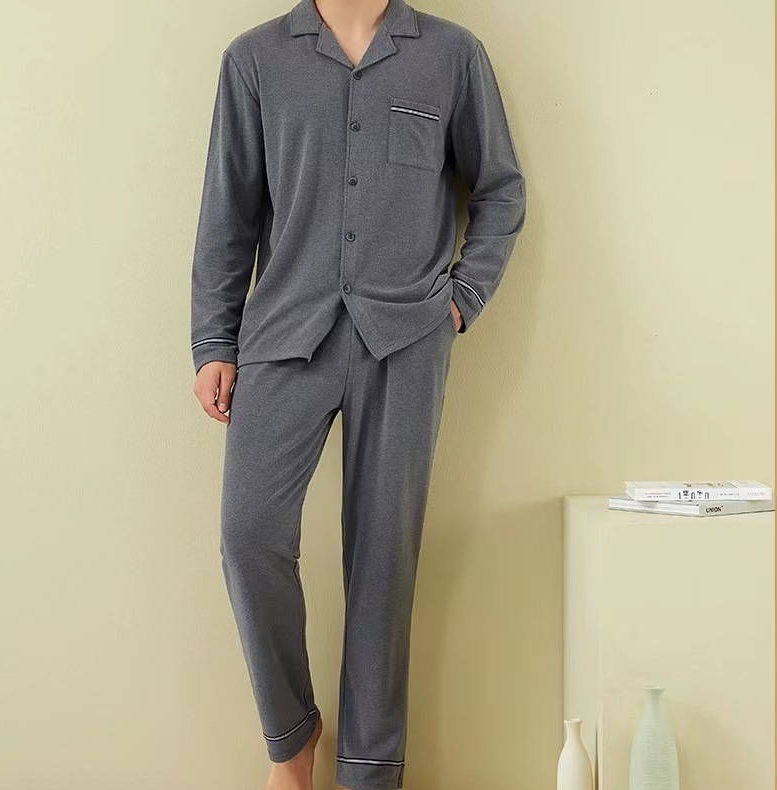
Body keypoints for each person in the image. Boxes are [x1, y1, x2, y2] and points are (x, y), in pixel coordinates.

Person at [190, 0, 525, 786]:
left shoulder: (452, 55)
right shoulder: (255, 60)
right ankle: (292, 740)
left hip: (405, 341)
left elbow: (501, 192)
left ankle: (370, 772)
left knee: (384, 559)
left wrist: (461, 300)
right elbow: (228, 212)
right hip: (283, 334)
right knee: (249, 535)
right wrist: (214, 342)